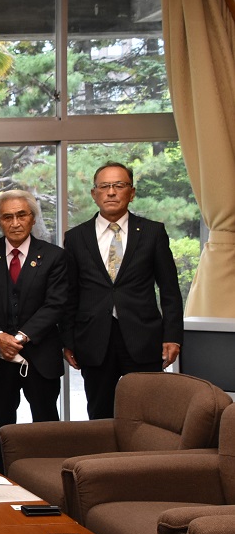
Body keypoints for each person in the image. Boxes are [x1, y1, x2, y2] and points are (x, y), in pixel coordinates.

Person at [63, 162, 184, 419]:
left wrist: (172, 336)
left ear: (132, 192)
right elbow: (70, 294)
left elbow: (170, 290)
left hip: (143, 339)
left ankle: (142, 461)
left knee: (147, 414)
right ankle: (103, 461)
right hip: (94, 340)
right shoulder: (75, 237)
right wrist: (68, 341)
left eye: (119, 185)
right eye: (104, 186)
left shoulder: (153, 232)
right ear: (94, 194)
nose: (111, 192)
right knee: (99, 413)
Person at [0, 190, 67, 474]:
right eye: (7, 216)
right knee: (1, 424)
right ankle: (2, 477)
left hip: (41, 356)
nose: (15, 222)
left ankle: (51, 480)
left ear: (33, 218)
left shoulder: (53, 256)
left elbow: (56, 304)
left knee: (46, 423)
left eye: (21, 215)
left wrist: (21, 338)